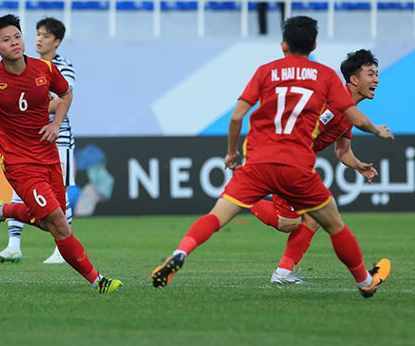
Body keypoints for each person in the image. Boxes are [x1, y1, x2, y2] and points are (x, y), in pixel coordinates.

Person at [152, 16, 394, 299]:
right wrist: (376, 130)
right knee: (328, 222)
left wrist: (231, 152)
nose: (376, 79)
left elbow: (238, 116)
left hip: (258, 159)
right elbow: (350, 116)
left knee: (218, 216)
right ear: (314, 44)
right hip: (295, 164)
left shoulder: (266, 72)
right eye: (371, 74)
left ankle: (181, 253)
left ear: (283, 45)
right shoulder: (325, 78)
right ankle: (364, 281)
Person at [0, 14, 121, 294]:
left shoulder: (44, 69)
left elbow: (66, 95)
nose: (14, 43)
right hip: (20, 164)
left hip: (50, 158)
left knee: (51, 224)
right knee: (60, 225)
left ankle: (2, 209)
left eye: (17, 36)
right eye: (6, 40)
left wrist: (55, 124)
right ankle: (97, 280)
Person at [252, 49, 380, 285]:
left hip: (293, 161)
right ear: (354, 79)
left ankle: (283, 273)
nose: (376, 80)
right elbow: (302, 132)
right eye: (370, 74)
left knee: (315, 217)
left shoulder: (349, 113)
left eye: (376, 74)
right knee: (288, 223)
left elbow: (343, 151)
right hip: (286, 158)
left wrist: (358, 165)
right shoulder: (333, 105)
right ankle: (244, 197)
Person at [0, 17, 76, 264]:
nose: (40, 39)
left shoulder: (61, 66)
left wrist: (29, 108)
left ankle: (62, 247)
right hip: (27, 141)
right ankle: (13, 245)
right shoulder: (27, 65)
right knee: (22, 191)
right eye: (38, 34)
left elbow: (63, 99)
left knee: (60, 197)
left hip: (57, 139)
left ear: (57, 42)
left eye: (46, 36)